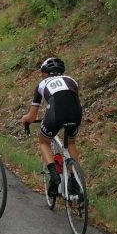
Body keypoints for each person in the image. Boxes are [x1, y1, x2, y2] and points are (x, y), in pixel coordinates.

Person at [20, 57, 83, 197]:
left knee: (44, 142)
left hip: (56, 112)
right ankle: (75, 180)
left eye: (42, 73)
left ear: (45, 73)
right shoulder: (71, 80)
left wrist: (26, 119)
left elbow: (32, 116)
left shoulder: (41, 84)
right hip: (75, 112)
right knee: (71, 142)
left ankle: (54, 175)